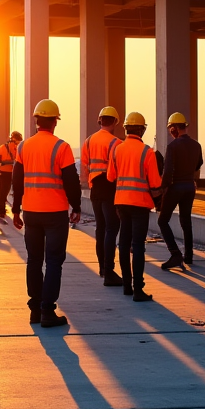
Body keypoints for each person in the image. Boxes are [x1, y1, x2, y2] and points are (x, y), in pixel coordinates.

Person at [11, 99, 83, 327]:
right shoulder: (62, 147)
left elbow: (16, 181)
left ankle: (35, 309)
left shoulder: (23, 146)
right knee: (53, 261)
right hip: (55, 213)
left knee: (34, 260)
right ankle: (47, 311)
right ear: (55, 122)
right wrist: (76, 206)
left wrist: (15, 209)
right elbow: (71, 181)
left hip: (31, 212)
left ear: (36, 121)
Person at [107, 112, 162, 302]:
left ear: (126, 129)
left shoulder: (117, 150)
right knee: (137, 245)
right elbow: (155, 184)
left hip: (121, 203)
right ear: (142, 130)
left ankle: (126, 286)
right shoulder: (147, 152)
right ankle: (138, 289)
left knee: (123, 244)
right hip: (140, 204)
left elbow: (110, 177)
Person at [80, 107, 123, 287]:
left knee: (100, 228)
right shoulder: (116, 143)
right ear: (114, 122)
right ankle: (109, 271)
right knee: (112, 228)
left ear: (100, 121)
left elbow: (84, 168)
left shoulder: (88, 141)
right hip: (109, 187)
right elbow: (118, 170)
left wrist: (89, 184)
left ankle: (102, 268)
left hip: (95, 188)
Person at [158, 112, 203, 271]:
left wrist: (162, 189)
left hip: (175, 187)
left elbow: (167, 171)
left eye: (171, 129)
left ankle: (175, 253)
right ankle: (188, 256)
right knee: (186, 220)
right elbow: (198, 164)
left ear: (174, 128)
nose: (170, 132)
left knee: (162, 221)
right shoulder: (196, 145)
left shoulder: (172, 146)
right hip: (189, 187)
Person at [0, 131, 22, 219]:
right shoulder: (18, 148)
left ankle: (0, 210)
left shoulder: (2, 147)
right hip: (14, 172)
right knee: (13, 192)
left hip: (3, 172)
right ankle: (1, 210)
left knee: (2, 192)